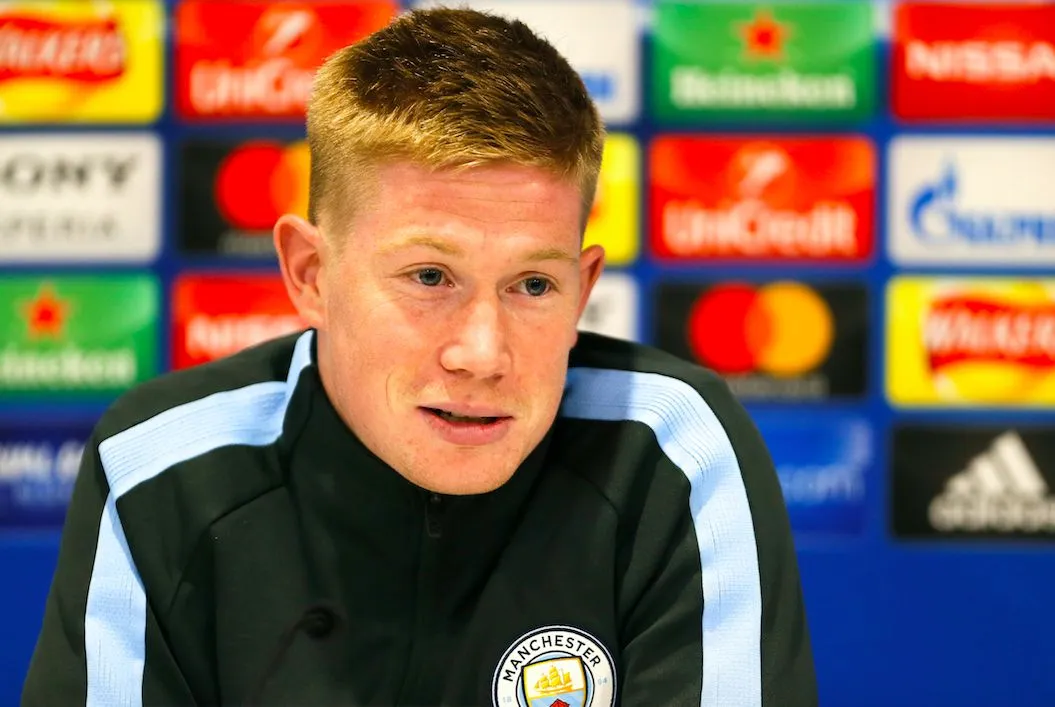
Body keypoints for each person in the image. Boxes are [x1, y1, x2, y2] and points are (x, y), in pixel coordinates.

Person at [22, 7, 816, 707]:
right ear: (311, 274)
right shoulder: (161, 469)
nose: (482, 353)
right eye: (430, 277)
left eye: (532, 284)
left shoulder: (674, 452)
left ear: (583, 291)